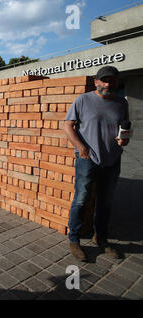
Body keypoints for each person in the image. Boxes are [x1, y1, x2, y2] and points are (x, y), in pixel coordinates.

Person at [63, 66, 129, 262]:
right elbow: (67, 125)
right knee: (81, 200)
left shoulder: (120, 103)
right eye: (104, 80)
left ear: (116, 82)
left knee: (105, 203)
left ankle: (101, 238)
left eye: (112, 80)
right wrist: (80, 148)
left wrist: (123, 140)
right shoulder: (83, 100)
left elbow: (124, 128)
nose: (108, 84)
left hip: (112, 160)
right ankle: (74, 240)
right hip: (87, 160)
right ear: (96, 82)